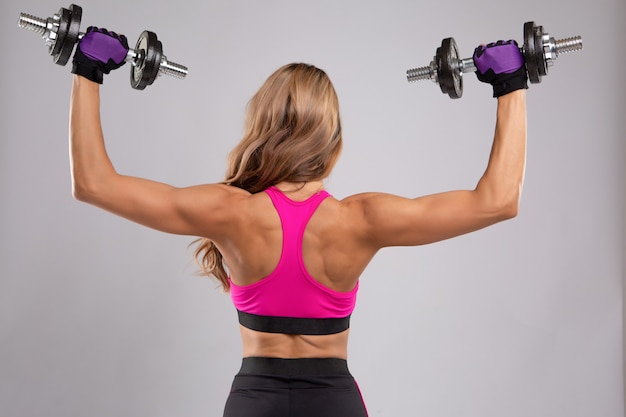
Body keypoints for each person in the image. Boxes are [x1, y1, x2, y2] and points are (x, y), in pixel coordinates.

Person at [69, 27, 527, 417]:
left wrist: (88, 69)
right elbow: (498, 201)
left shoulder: (229, 212)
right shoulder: (362, 218)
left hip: (255, 399)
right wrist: (511, 85)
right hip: (333, 400)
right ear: (332, 136)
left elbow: (93, 183)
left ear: (262, 124)